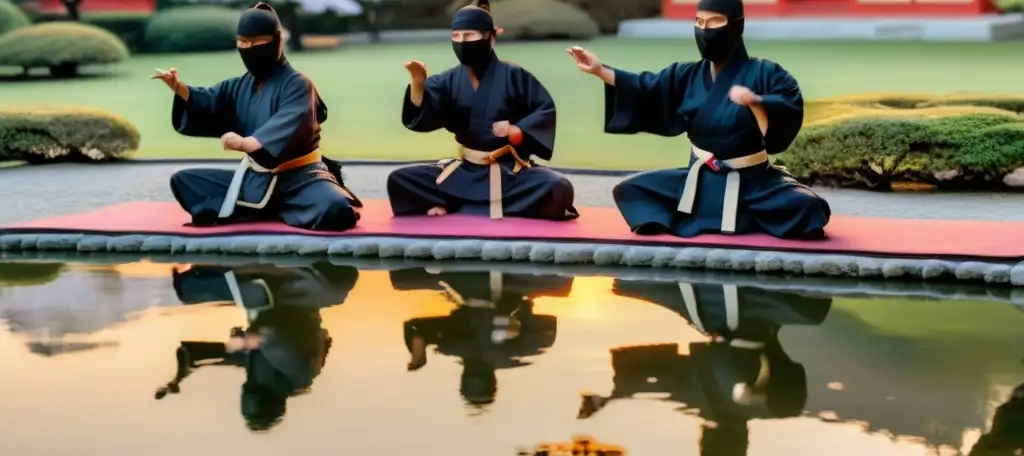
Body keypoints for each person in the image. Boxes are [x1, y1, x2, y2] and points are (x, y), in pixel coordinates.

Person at [567, 0, 830, 240]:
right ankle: (744, 218)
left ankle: (722, 215)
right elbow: (645, 87)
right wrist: (600, 71)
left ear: (736, 25)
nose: (705, 30)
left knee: (808, 208)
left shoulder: (767, 73)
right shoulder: (686, 74)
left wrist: (756, 103)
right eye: (699, 22)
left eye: (714, 22)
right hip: (698, 180)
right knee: (630, 190)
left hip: (753, 183)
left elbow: (782, 119)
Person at [152, 2, 360, 231]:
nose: (250, 48)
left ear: (277, 40)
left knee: (336, 209)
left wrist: (245, 143)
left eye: (258, 42)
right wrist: (179, 87)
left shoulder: (298, 84)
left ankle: (264, 207)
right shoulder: (239, 85)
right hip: (256, 178)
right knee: (185, 181)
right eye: (243, 42)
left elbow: (289, 122)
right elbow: (210, 100)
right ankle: (272, 207)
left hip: (302, 178)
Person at [578, 278, 831, 456]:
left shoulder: (765, 407)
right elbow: (650, 384)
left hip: (748, 318)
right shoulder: (696, 399)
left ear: (745, 439)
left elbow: (652, 384)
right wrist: (609, 398)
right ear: (703, 435)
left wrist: (612, 398)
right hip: (725, 316)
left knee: (813, 312)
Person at [386, 0, 577, 221]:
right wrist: (418, 83)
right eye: (456, 36)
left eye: (468, 35)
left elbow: (543, 110)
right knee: (399, 179)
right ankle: (485, 205)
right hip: (465, 171)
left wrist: (516, 132)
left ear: (490, 38)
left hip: (510, 173)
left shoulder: (515, 76)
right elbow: (423, 113)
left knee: (557, 186)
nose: (461, 41)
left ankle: (453, 203)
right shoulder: (448, 80)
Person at [156, 262, 359, 431]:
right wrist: (248, 340)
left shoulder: (266, 380)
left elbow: (241, 356)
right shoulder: (297, 376)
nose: (246, 399)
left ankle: (212, 275)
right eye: (253, 408)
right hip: (300, 294)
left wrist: (193, 362)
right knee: (192, 289)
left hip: (290, 297)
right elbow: (274, 339)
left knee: (196, 287)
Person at [390, 266, 572, 410]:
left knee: (400, 279)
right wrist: (520, 317)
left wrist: (418, 353)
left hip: (476, 287)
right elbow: (548, 331)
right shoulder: (458, 347)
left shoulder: (455, 346)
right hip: (497, 289)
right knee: (561, 284)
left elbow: (548, 331)